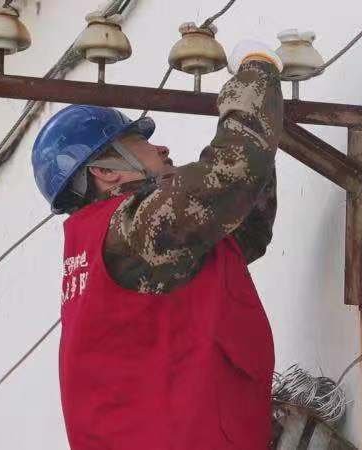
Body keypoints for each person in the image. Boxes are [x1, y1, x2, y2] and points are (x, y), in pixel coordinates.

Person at [31, 40, 284, 449]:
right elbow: (231, 176)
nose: (161, 148)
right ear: (105, 171)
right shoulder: (134, 230)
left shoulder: (121, 244)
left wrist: (261, 129)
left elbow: (243, 226)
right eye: (140, 142)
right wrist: (257, 72)